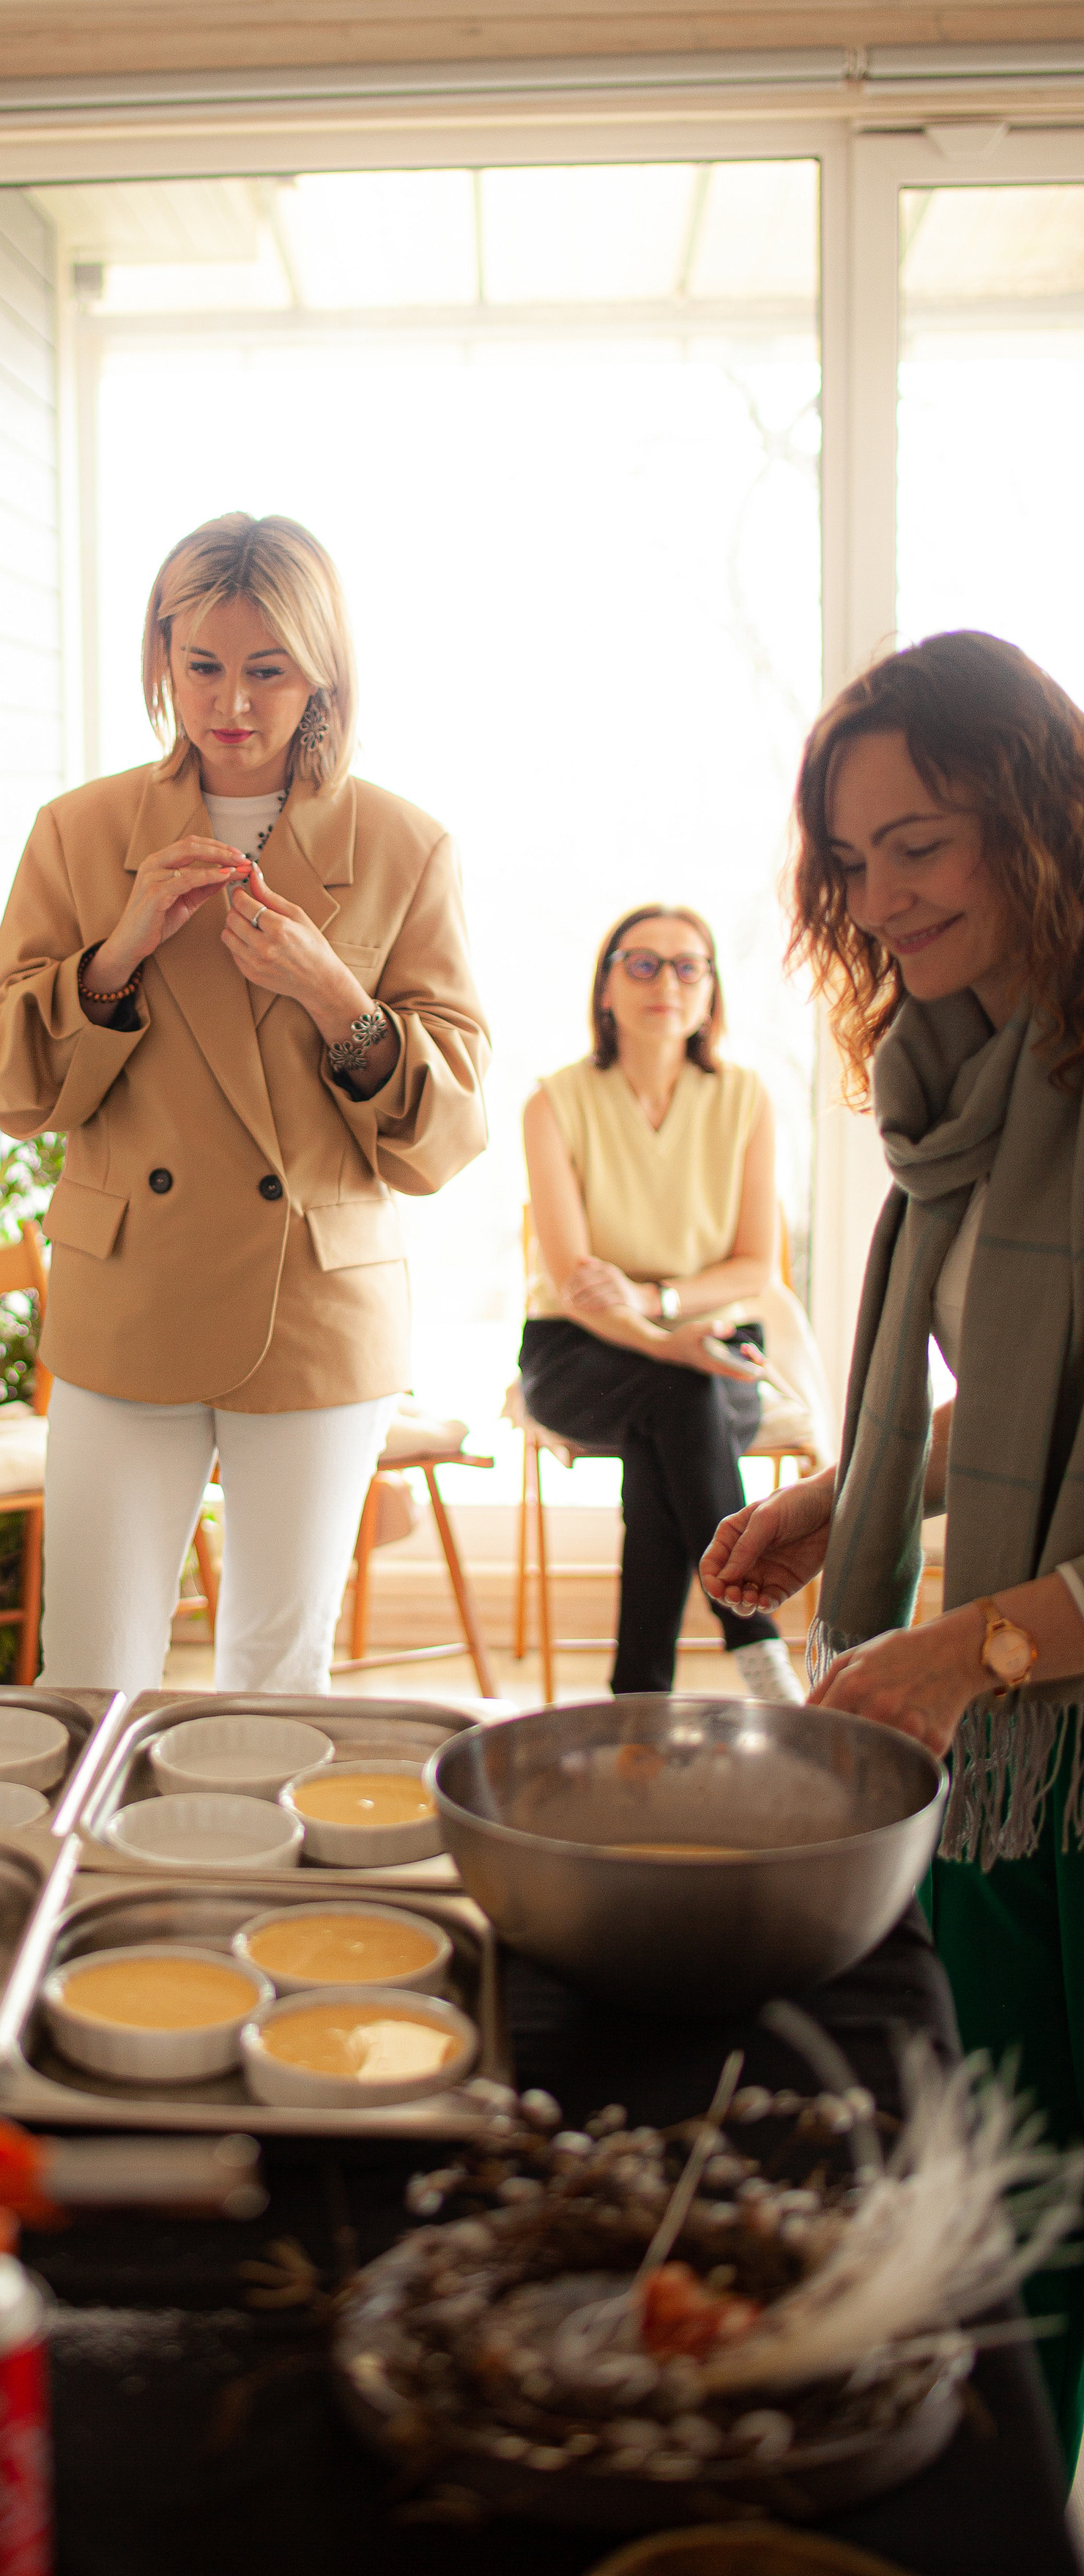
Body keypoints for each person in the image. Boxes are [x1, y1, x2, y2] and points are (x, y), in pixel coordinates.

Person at [701, 630, 1084, 2465]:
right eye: (855, 860)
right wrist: (856, 1499)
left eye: (920, 841)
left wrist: (964, 1647)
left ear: (1038, 813)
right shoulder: (971, 1075)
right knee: (1004, 2210)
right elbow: (1035, 1404)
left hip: (1039, 1708)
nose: (879, 895)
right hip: (1028, 1750)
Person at [0, 510, 489, 1696]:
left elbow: (450, 1127)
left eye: (268, 670)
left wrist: (334, 994)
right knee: (89, 1669)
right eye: (201, 664)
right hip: (129, 1294)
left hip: (313, 1302)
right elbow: (10, 1080)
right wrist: (116, 955)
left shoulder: (407, 848)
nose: (232, 704)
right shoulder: (83, 833)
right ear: (163, 657)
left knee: (276, 1673)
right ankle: (92, 1880)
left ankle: (253, 1886)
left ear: (323, 675)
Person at [520, 904, 801, 1702]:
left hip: (710, 1346)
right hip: (577, 1352)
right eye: (640, 963)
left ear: (710, 993)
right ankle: (754, 1647)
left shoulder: (745, 1099)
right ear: (606, 986)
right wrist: (656, 1337)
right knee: (678, 1396)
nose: (665, 982)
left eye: (688, 966)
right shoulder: (554, 1103)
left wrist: (657, 1300)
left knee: (676, 1416)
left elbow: (752, 1264)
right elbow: (574, 1279)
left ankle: (637, 1702)